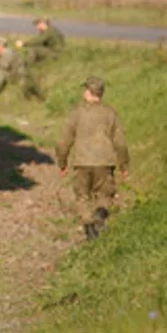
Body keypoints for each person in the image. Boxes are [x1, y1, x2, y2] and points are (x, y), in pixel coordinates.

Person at [56, 76, 129, 240]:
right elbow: (120, 143)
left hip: (82, 162)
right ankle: (100, 214)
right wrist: (124, 165)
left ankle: (90, 230)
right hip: (105, 162)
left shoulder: (76, 113)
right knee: (105, 195)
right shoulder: (110, 113)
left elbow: (63, 142)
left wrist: (62, 162)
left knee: (82, 197)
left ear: (88, 92)